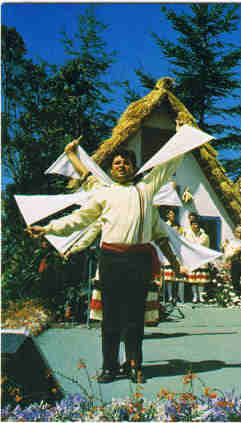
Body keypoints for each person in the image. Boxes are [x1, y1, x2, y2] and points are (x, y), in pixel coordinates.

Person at [27, 136, 184, 383]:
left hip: (138, 260)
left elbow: (168, 164)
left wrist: (181, 136)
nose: (121, 165)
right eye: (117, 163)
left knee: (134, 319)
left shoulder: (146, 189)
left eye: (126, 162)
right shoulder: (103, 193)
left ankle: (134, 365)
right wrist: (48, 229)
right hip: (111, 260)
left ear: (134, 167)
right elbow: (78, 219)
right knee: (110, 318)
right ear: (111, 169)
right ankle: (109, 367)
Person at [183, 213, 211, 303]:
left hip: (202, 259)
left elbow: (203, 246)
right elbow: (187, 244)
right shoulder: (187, 234)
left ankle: (201, 296)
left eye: (196, 225)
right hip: (192, 259)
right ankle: (195, 296)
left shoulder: (205, 236)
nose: (195, 226)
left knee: (201, 280)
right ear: (191, 226)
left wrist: (195, 246)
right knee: (193, 279)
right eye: (193, 225)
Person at [161, 207, 186, 304]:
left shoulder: (178, 226)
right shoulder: (165, 225)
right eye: (171, 214)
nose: (173, 216)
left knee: (176, 277)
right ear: (167, 215)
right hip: (168, 251)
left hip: (177, 251)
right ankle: (170, 296)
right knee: (168, 278)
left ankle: (177, 297)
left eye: (174, 214)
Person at [224, 225, 241, 300]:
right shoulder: (232, 243)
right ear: (235, 233)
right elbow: (227, 255)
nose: (240, 234)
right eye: (238, 232)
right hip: (235, 263)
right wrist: (235, 252)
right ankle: (238, 297)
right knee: (235, 281)